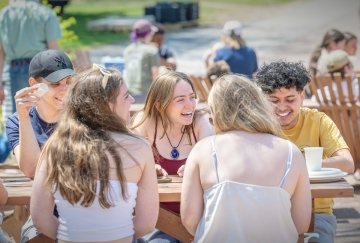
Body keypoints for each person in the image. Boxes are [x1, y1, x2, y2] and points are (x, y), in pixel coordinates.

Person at [30, 65, 159, 242]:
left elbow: (40, 218)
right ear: (107, 105)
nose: (132, 101)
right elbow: (146, 224)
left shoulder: (55, 146)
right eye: (126, 96)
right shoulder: (139, 148)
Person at [181, 74, 311, 242]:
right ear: (258, 105)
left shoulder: (203, 150)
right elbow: (301, 225)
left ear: (217, 111)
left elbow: (189, 221)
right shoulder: (291, 152)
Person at [255, 60, 355, 243]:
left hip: (317, 213)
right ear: (263, 99)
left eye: (290, 99)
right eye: (274, 101)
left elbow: (347, 164)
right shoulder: (256, 126)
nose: (282, 107)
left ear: (302, 96)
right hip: (269, 212)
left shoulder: (318, 121)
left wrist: (299, 163)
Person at [132, 70, 213, 243]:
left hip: (200, 221)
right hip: (158, 223)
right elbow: (130, 163)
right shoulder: (146, 122)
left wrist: (199, 167)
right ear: (160, 105)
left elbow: (213, 162)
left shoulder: (200, 121)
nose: (190, 105)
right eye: (180, 100)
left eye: (192, 97)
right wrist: (145, 169)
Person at [0, 0, 61, 112]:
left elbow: (1, 52)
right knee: (44, 114)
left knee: (19, 117)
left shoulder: (4, 15)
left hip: (14, 70)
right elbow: (53, 51)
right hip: (41, 70)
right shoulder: (45, 13)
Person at [123, 19, 160, 103]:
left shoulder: (128, 50)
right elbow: (155, 75)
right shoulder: (151, 50)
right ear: (148, 34)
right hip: (145, 93)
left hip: (129, 93)